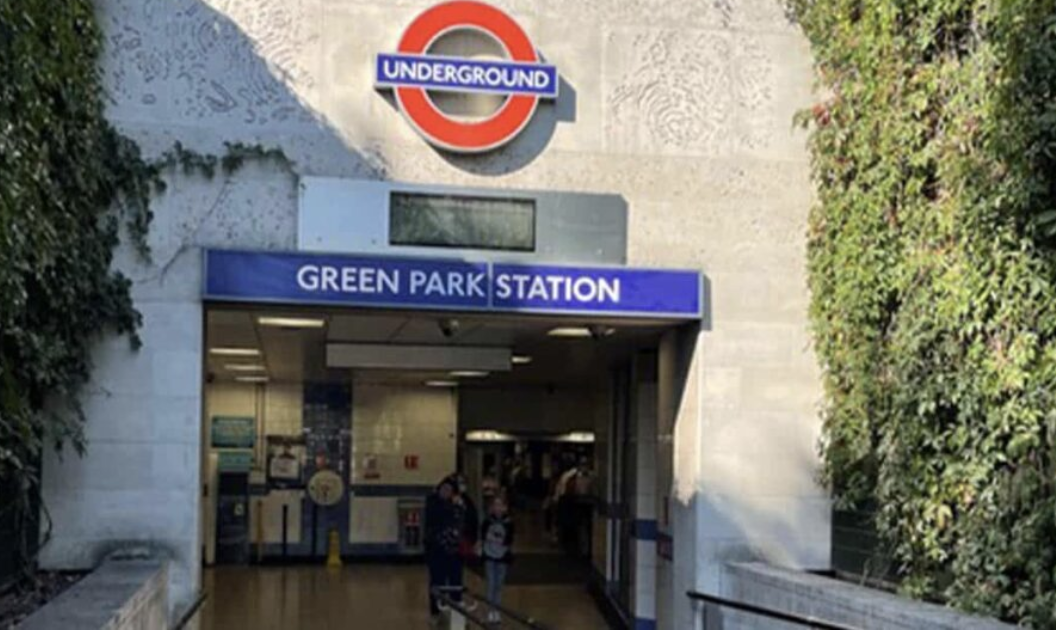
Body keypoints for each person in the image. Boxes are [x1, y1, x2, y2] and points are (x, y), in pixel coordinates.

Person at [425, 476, 465, 623]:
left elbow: (467, 521)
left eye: (449, 490)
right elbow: (435, 519)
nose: (445, 492)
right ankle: (435, 611)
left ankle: (456, 613)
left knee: (455, 582)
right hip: (436, 550)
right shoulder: (433, 502)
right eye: (444, 489)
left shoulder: (459, 506)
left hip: (454, 551)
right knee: (437, 582)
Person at [480, 496, 514, 624]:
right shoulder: (487, 522)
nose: (498, 508)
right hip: (490, 556)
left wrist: (496, 539)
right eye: (495, 505)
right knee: (490, 584)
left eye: (501, 505)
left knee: (499, 585)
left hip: (502, 557)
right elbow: (484, 536)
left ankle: (497, 610)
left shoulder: (509, 523)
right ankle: (490, 610)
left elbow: (508, 540)